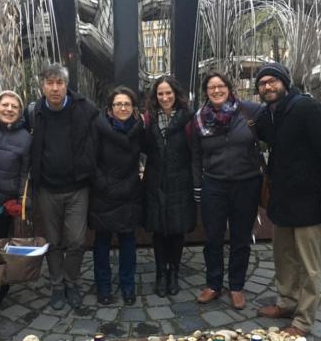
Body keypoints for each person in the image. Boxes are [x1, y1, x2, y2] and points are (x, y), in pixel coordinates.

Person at [254, 63, 321, 337]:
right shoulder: (273, 114)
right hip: (284, 203)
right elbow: (263, 131)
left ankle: (303, 321)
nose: (268, 87)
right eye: (262, 84)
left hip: (312, 205)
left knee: (309, 266)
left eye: (272, 82)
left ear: (284, 82)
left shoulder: (308, 109)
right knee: (283, 257)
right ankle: (286, 302)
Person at [27, 63, 98, 310]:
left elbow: (102, 133)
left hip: (77, 188)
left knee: (77, 241)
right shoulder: (34, 111)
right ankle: (57, 286)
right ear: (42, 86)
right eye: (50, 83)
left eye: (59, 83)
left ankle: (72, 282)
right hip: (47, 189)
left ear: (66, 86)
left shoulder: (84, 108)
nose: (55, 88)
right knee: (54, 242)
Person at [192, 71, 263, 310]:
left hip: (247, 183)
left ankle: (236, 286)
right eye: (211, 87)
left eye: (220, 86)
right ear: (206, 92)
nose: (216, 91)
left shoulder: (249, 111)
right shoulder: (199, 118)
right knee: (213, 237)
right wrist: (197, 184)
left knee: (241, 238)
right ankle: (213, 284)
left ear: (229, 88)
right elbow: (195, 155)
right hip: (214, 183)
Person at [89, 86, 144, 306]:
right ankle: (103, 286)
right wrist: (103, 184)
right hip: (103, 193)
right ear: (110, 109)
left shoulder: (139, 129)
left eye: (127, 104)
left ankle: (127, 285)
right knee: (102, 242)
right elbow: (90, 159)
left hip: (129, 192)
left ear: (133, 108)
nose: (122, 108)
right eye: (118, 104)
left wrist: (133, 182)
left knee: (128, 242)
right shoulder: (98, 128)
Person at [143, 75, 196, 297]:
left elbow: (194, 149)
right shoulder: (149, 119)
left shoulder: (188, 118)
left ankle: (173, 271)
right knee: (158, 230)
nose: (165, 97)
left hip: (180, 179)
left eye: (168, 93)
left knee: (176, 230)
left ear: (175, 94)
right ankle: (160, 273)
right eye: (160, 93)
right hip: (155, 180)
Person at [0, 90, 32, 306]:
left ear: (20, 112)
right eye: (5, 105)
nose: (9, 109)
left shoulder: (25, 138)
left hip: (4, 202)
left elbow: (25, 173)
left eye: (14, 106)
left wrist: (21, 201)